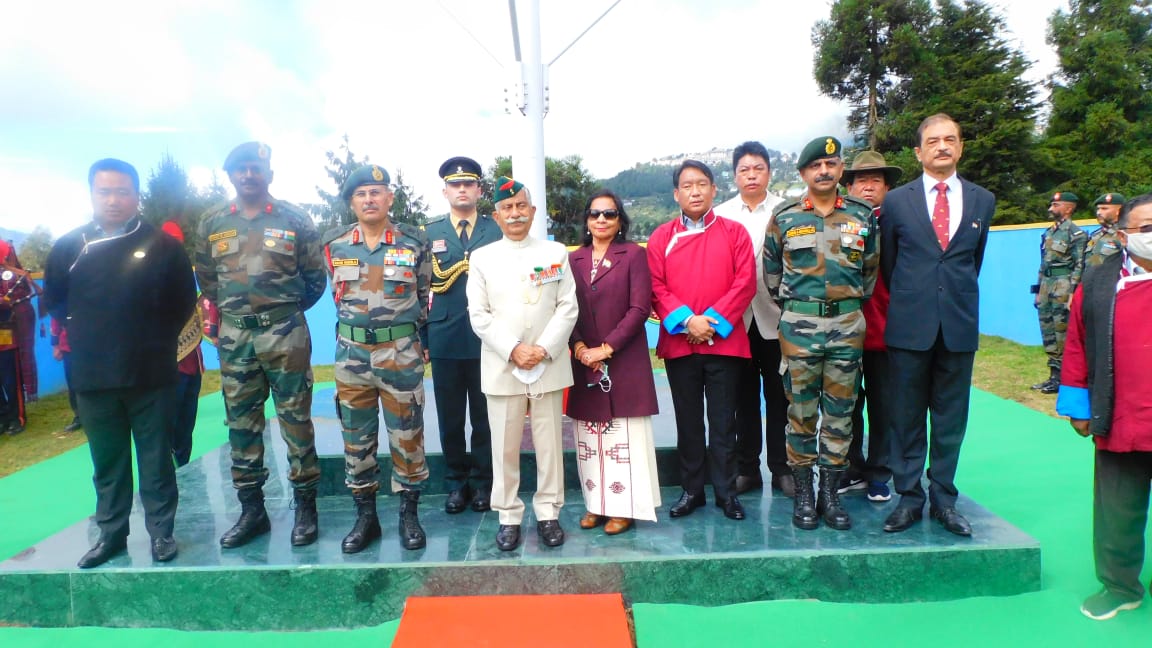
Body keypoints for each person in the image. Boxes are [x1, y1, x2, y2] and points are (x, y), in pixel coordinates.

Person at [42, 158, 196, 568]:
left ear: (136, 195)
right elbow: (56, 301)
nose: (113, 200)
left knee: (156, 458)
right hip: (93, 377)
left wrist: (151, 340)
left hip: (151, 373)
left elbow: (183, 301)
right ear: (92, 194)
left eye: (122, 191)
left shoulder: (165, 247)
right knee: (107, 463)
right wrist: (93, 336)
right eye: (104, 191)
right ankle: (111, 535)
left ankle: (162, 533)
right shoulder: (69, 247)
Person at [195, 142, 326, 548]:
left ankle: (306, 508)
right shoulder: (213, 221)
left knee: (296, 421)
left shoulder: (295, 219)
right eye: (240, 169)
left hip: (285, 333)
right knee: (241, 424)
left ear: (269, 174)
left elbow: (314, 279)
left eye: (255, 168)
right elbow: (207, 277)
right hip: (235, 337)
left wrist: (279, 311)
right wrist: (241, 314)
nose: (248, 175)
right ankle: (252, 511)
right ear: (230, 175)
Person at [880, 113, 995, 536]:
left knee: (950, 420)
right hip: (910, 326)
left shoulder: (983, 200)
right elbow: (890, 265)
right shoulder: (896, 202)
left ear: (961, 147)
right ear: (919, 152)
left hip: (959, 327)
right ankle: (909, 498)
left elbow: (971, 261)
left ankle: (944, 500)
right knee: (906, 417)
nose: (942, 146)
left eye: (950, 139)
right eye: (933, 141)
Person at [764, 137, 878, 531]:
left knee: (841, 415)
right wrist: (802, 311)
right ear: (803, 174)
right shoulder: (785, 217)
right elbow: (772, 275)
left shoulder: (862, 216)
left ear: (841, 169)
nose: (824, 171)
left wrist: (842, 307)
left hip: (848, 327)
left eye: (831, 164)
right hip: (799, 329)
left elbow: (869, 274)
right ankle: (805, 495)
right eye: (816, 166)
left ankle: (830, 494)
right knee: (800, 413)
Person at [323, 164, 431, 552]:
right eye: (361, 194)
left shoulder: (413, 242)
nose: (369, 200)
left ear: (389, 198)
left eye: (376, 192)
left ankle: (409, 515)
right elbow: (337, 299)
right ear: (352, 202)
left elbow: (423, 297)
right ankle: (365, 517)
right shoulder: (335, 246)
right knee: (356, 437)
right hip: (351, 356)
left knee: (407, 436)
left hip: (399, 353)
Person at [467, 176, 577, 551]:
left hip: (548, 362)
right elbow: (479, 315)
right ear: (496, 216)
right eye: (506, 208)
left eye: (520, 207)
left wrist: (542, 348)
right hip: (502, 365)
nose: (514, 214)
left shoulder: (555, 253)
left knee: (549, 444)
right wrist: (514, 348)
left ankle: (548, 512)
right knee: (504, 447)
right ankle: (508, 515)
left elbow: (567, 307)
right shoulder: (481, 259)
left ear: (532, 211)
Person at [1057, 193, 1152, 621]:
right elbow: (1076, 343)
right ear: (1124, 233)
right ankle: (1119, 586)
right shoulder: (1097, 282)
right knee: (1118, 511)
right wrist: (1078, 405)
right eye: (1146, 228)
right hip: (1121, 418)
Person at [648, 160, 756, 521]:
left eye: (701, 184)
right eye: (687, 186)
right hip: (681, 344)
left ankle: (726, 492)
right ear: (676, 194)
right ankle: (692, 490)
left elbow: (745, 284)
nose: (695, 191)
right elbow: (656, 287)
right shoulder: (662, 236)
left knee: (725, 421)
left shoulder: (734, 232)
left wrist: (711, 323)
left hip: (723, 343)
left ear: (714, 190)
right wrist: (687, 322)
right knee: (689, 421)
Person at [568, 190, 661, 536]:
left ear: (620, 220)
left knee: (623, 440)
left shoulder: (634, 255)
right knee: (590, 440)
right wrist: (579, 347)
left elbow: (639, 309)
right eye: (595, 214)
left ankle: (624, 508)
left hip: (622, 361)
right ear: (587, 221)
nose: (601, 220)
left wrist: (605, 349)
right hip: (583, 362)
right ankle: (597, 505)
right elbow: (566, 309)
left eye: (609, 214)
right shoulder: (573, 259)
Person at [419, 156, 499, 514]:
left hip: (489, 340)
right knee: (450, 417)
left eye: (469, 184)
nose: (462, 189)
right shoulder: (429, 234)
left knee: (485, 417)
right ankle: (455, 484)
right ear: (445, 191)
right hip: (445, 337)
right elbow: (419, 290)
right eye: (455, 184)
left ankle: (483, 485)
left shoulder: (495, 230)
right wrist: (422, 338)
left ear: (479, 190)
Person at [713, 141, 791, 498]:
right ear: (734, 175)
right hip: (736, 324)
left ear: (769, 172)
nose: (751, 175)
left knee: (780, 399)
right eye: (744, 169)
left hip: (777, 321)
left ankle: (782, 470)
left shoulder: (787, 209)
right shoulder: (722, 214)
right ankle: (748, 470)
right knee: (742, 401)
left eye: (758, 168)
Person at [840, 151, 903, 503]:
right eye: (860, 180)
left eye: (875, 180)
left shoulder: (898, 221)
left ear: (887, 187)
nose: (867, 186)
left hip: (886, 331)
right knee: (845, 405)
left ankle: (880, 473)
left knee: (884, 408)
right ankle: (852, 468)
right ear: (848, 186)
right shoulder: (839, 221)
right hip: (845, 331)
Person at [1030, 191, 1087, 394]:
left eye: (1056, 205)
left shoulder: (1076, 234)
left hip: (1063, 287)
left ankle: (1066, 378)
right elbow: (1043, 263)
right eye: (1051, 205)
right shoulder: (1049, 232)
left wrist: (1073, 292)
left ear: (1068, 208)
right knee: (1048, 331)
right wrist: (1037, 290)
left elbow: (1080, 265)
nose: (1051, 208)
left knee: (1062, 332)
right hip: (1047, 285)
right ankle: (1054, 376)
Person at [160, 220, 204, 467]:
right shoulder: (150, 277)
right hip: (167, 366)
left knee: (186, 424)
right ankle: (167, 476)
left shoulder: (185, 273)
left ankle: (185, 469)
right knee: (167, 426)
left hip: (191, 362)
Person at [0, 241, 38, 434]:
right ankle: (2, 417)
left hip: (5, 334)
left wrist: (5, 302)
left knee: (9, 379)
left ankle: (17, 418)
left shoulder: (14, 275)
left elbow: (18, 300)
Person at [49, 318, 82, 432]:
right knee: (73, 383)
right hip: (68, 345)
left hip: (90, 340)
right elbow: (55, 318)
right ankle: (79, 417)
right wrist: (55, 346)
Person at [1085, 193, 1125, 268]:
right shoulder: (1096, 234)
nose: (1098, 213)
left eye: (1104, 209)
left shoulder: (1124, 235)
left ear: (1119, 211)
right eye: (1098, 209)